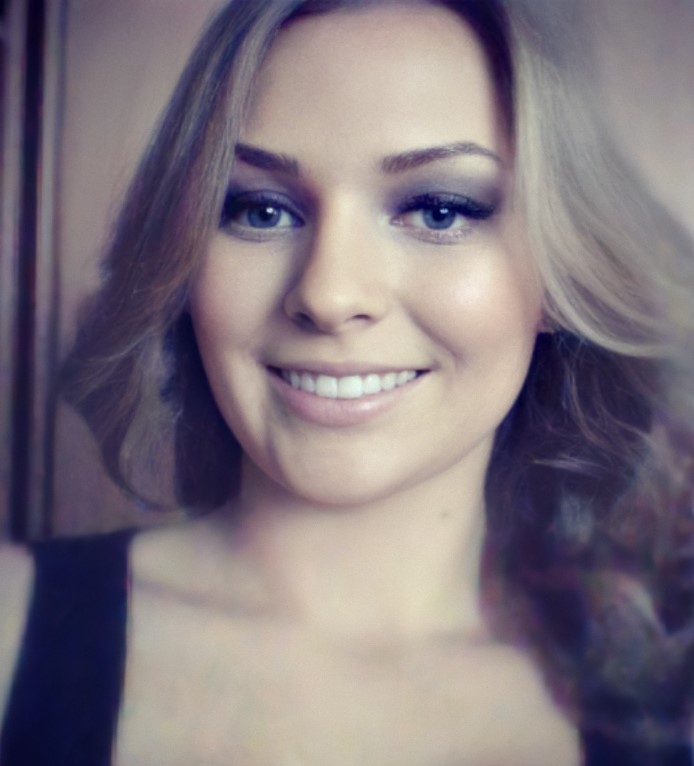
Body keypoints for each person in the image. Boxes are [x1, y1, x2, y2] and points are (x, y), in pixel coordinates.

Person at [2, 0, 694, 763]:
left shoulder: (663, 712)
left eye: (439, 210)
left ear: (562, 273)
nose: (329, 295)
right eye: (261, 210)